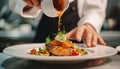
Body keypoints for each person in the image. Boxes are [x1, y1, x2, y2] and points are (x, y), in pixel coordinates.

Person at [9, 0, 107, 47]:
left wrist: (89, 24)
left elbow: (95, 9)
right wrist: (27, 3)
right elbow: (13, 3)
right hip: (41, 42)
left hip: (76, 46)